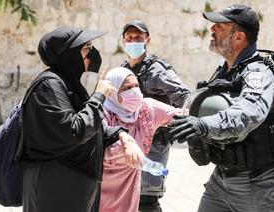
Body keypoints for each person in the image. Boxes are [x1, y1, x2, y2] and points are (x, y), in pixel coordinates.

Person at [168, 5, 274, 212]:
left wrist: (203, 125)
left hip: (260, 183)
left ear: (238, 37)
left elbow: (250, 112)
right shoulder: (225, 70)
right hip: (223, 178)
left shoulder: (258, 72)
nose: (212, 30)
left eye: (220, 26)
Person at [21, 27, 142, 212]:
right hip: (55, 184)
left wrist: (121, 134)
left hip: (74, 181)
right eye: (86, 47)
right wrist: (99, 95)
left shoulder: (69, 85)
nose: (92, 52)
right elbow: (75, 130)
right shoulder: (49, 85)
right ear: (69, 54)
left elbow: (90, 126)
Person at [120, 20, 191, 211]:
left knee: (146, 201)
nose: (133, 41)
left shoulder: (157, 69)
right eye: (129, 37)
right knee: (129, 198)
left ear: (147, 40)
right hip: (128, 145)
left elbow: (185, 97)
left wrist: (176, 124)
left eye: (138, 37)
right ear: (123, 41)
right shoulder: (124, 69)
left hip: (153, 145)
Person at [99, 67, 182, 212]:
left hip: (129, 189)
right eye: (127, 88)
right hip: (101, 186)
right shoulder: (103, 112)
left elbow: (180, 115)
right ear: (113, 91)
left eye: (136, 86)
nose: (134, 91)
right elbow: (98, 145)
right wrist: (125, 146)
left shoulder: (147, 109)